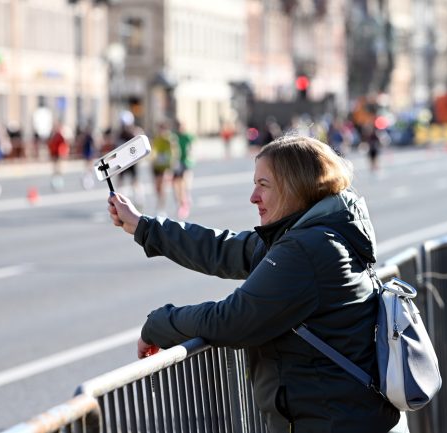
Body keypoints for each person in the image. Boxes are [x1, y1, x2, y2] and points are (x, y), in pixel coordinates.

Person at [107, 132, 404, 433]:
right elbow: (224, 249)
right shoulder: (312, 232)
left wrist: (158, 324)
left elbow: (231, 321)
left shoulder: (308, 249)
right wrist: (143, 226)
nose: (253, 197)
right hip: (344, 418)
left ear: (294, 188)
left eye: (263, 185)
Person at [150, 122, 177, 217]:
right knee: (157, 188)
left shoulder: (169, 139)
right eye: (160, 129)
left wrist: (172, 164)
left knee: (162, 187)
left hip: (166, 166)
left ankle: (161, 208)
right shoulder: (156, 139)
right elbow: (153, 150)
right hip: (156, 166)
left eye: (163, 129)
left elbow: (174, 151)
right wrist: (152, 159)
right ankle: (160, 203)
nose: (161, 131)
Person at [172, 120, 194, 219]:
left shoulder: (187, 136)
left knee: (185, 181)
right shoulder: (175, 136)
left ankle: (186, 200)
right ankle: (181, 202)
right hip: (177, 162)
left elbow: (191, 148)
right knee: (176, 183)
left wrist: (190, 155)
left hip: (186, 162)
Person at [47, 122, 69, 190]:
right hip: (54, 154)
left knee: (58, 168)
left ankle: (58, 180)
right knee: (55, 168)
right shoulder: (52, 135)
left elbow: (64, 144)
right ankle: (55, 180)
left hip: (58, 154)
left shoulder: (59, 135)